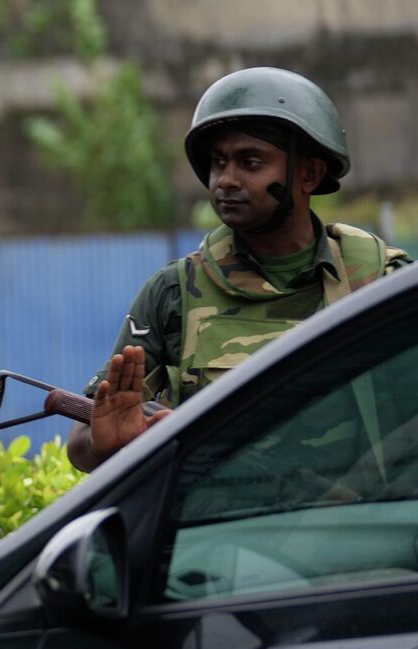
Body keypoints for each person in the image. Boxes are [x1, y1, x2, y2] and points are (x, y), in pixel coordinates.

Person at [69, 67, 408, 472]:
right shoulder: (174, 293)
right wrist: (106, 442)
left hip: (354, 528)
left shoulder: (380, 279)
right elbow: (86, 442)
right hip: (216, 533)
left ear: (309, 174)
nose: (225, 180)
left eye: (250, 161)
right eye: (218, 162)